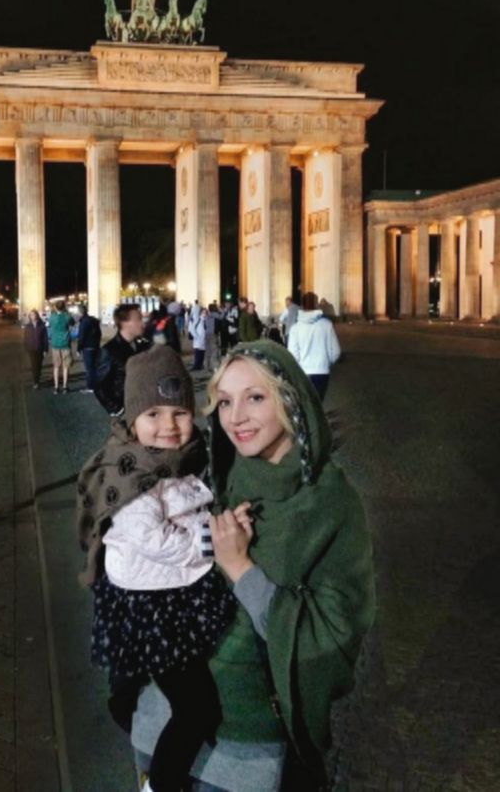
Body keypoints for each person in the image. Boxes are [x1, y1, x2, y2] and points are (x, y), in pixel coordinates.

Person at [131, 340, 375, 792]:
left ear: (290, 399)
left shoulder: (330, 504)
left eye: (255, 397)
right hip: (158, 721)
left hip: (242, 748)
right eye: (225, 402)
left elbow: (334, 640)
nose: (236, 417)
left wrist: (240, 569)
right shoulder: (216, 476)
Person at [77, 346, 237, 792]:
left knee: (140, 677)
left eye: (179, 412)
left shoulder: (179, 458)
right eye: (153, 414)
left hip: (166, 593)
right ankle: (161, 783)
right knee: (196, 708)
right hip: (151, 606)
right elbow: (155, 539)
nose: (169, 425)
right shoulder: (131, 473)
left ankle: (127, 704)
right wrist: (214, 539)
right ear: (133, 421)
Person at [94, 304, 150, 417]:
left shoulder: (144, 345)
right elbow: (100, 385)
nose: (143, 323)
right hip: (126, 409)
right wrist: (117, 409)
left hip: (146, 405)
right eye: (139, 319)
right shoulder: (109, 350)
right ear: (125, 323)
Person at [287, 293, 341, 401]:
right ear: (317, 305)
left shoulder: (295, 328)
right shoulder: (327, 325)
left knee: (306, 404)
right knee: (319, 403)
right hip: (322, 372)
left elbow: (292, 355)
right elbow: (336, 351)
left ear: (302, 306)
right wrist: (327, 362)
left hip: (303, 372)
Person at [48, 299, 75, 394]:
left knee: (56, 366)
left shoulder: (52, 317)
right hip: (65, 343)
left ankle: (56, 387)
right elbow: (73, 323)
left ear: (55, 307)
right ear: (64, 307)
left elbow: (49, 325)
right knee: (65, 367)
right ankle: (65, 387)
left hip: (55, 344)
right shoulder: (67, 316)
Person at [77, 304, 102, 393]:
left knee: (89, 368)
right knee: (94, 367)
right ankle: (97, 385)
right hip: (95, 346)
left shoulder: (84, 322)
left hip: (87, 347)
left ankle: (91, 386)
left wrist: (79, 348)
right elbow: (99, 333)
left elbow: (81, 336)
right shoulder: (93, 320)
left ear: (80, 312)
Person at [23, 309, 48, 389]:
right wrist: (26, 347)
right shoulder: (28, 326)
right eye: (31, 315)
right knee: (34, 366)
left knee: (39, 366)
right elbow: (25, 338)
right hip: (32, 349)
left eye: (34, 314)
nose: (32, 316)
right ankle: (36, 382)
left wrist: (45, 349)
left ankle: (37, 379)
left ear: (37, 315)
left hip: (40, 348)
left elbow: (45, 338)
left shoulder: (42, 326)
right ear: (29, 316)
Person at [189, 307, 208, 371]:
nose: (204, 314)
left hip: (203, 340)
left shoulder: (205, 320)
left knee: (202, 353)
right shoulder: (198, 320)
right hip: (198, 340)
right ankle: (196, 366)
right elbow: (192, 329)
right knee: (197, 353)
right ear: (200, 313)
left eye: (205, 313)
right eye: (203, 313)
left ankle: (200, 365)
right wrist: (196, 337)